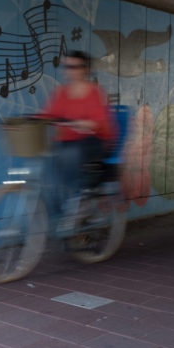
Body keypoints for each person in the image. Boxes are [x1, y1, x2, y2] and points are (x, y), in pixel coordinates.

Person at [37, 50, 114, 223]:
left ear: (84, 69)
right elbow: (48, 114)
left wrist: (82, 124)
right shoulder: (61, 92)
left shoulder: (94, 92)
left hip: (95, 142)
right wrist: (28, 121)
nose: (68, 70)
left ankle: (81, 201)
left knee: (69, 154)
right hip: (67, 142)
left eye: (74, 66)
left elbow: (99, 122)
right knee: (47, 161)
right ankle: (60, 210)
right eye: (66, 66)